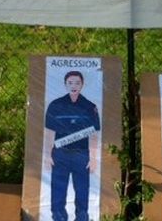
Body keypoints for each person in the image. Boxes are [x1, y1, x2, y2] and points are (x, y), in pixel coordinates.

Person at [44, 70, 100, 221]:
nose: (73, 86)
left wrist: (93, 158)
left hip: (81, 154)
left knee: (82, 190)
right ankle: (58, 217)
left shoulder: (89, 107)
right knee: (58, 189)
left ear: (82, 85)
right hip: (60, 153)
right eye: (70, 83)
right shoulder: (55, 106)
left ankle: (82, 217)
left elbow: (93, 135)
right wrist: (47, 155)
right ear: (65, 84)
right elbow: (50, 132)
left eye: (77, 83)